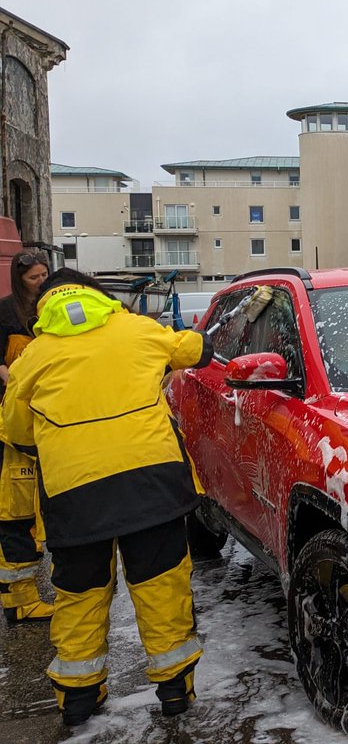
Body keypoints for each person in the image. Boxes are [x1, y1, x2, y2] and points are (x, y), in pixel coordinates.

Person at [2, 268, 213, 726]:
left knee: (80, 592)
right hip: (152, 484)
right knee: (162, 585)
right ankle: (175, 689)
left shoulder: (33, 358)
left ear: (45, 305)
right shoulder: (139, 329)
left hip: (75, 496)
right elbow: (193, 349)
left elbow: (16, 433)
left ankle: (78, 699)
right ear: (100, 296)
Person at [0, 250, 54, 623]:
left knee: (37, 499)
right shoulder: (5, 312)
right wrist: (17, 383)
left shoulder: (48, 309)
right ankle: (19, 601)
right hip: (12, 413)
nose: (40, 282)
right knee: (13, 507)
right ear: (19, 279)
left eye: (44, 275)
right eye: (34, 277)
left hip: (42, 409)